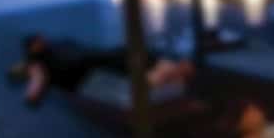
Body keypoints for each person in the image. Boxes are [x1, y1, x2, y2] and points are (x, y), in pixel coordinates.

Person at [11, 34, 195, 105]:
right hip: (93, 59)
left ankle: (164, 73)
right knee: (124, 58)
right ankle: (168, 70)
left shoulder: (39, 61)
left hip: (86, 67)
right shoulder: (62, 43)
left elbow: (35, 88)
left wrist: (30, 93)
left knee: (122, 66)